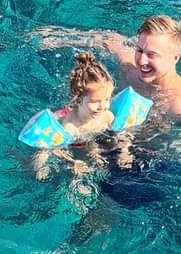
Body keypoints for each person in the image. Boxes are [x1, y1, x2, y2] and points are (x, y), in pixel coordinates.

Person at [35, 15, 181, 223]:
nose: (141, 61)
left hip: (149, 166)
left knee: (104, 210)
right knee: (58, 167)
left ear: (175, 57)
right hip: (113, 141)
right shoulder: (129, 68)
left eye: (152, 55)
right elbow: (105, 38)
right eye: (139, 50)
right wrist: (53, 37)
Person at [30, 52, 131, 181]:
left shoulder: (107, 116)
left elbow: (122, 133)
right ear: (78, 100)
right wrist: (73, 161)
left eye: (106, 99)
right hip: (70, 144)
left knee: (98, 156)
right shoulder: (70, 126)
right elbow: (57, 149)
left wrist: (124, 152)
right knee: (43, 153)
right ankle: (37, 168)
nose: (102, 106)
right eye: (95, 102)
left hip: (89, 140)